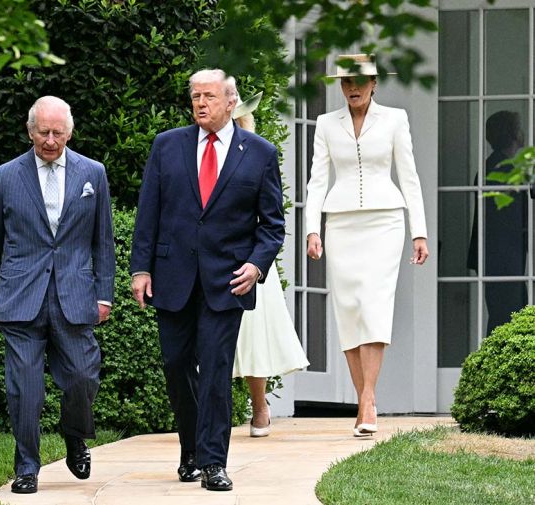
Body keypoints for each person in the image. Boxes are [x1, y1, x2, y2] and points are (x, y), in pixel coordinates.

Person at [130, 69, 285, 492]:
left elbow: (271, 226)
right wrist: (140, 269)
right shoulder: (167, 146)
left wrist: (256, 266)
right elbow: (149, 214)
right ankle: (192, 449)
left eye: (209, 97)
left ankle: (214, 462)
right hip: (172, 276)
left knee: (216, 370)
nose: (200, 103)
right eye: (195, 96)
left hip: (228, 281)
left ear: (230, 102)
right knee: (177, 365)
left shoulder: (259, 152)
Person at [0, 96, 116, 494]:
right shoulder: (6, 175)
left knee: (83, 378)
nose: (50, 141)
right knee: (25, 391)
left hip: (75, 295)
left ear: (69, 132)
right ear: (29, 130)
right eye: (43, 132)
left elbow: (103, 240)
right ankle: (27, 467)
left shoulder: (94, 173)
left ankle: (75, 437)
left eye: (58, 133)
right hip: (20, 298)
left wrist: (104, 293)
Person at [305, 54, 429, 437]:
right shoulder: (326, 124)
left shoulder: (394, 119)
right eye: (345, 83)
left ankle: (368, 398)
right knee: (349, 308)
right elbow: (316, 180)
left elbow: (409, 177)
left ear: (374, 83)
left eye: (359, 81)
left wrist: (418, 231)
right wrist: (313, 229)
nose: (352, 88)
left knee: (374, 303)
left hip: (385, 221)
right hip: (340, 222)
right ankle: (364, 397)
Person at [229, 95, 309, 438]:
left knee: (252, 334)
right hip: (207, 256)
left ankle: (259, 404)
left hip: (249, 259)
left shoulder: (257, 154)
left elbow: (271, 217)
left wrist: (257, 261)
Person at [467, 110, 528, 335]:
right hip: (506, 257)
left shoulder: (487, 168)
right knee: (509, 316)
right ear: (515, 135)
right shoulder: (509, 170)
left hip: (492, 257)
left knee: (501, 315)